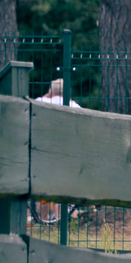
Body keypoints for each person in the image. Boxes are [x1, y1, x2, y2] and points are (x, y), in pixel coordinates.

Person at [33, 79, 82, 222]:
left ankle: (41, 219)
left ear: (51, 90)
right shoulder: (75, 106)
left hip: (43, 151)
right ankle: (61, 220)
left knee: (43, 188)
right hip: (67, 153)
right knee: (63, 187)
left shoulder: (40, 102)